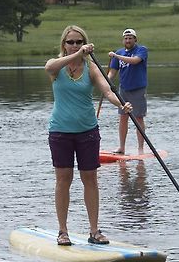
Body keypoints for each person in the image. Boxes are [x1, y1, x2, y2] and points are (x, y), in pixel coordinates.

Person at [45, 25, 132, 246]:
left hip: (87, 132)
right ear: (64, 44)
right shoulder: (56, 67)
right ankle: (63, 231)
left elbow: (107, 90)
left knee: (90, 180)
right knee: (64, 180)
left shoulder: (91, 67)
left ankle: (94, 231)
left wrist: (121, 104)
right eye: (71, 42)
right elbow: (49, 67)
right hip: (60, 132)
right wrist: (77, 54)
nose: (75, 45)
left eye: (79, 41)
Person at [108, 28, 148, 155]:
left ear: (135, 39)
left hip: (138, 89)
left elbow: (135, 61)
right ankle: (122, 147)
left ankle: (140, 148)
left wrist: (116, 56)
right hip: (123, 90)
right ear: (123, 40)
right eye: (126, 38)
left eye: (130, 38)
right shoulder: (119, 53)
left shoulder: (141, 50)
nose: (128, 40)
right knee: (123, 117)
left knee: (138, 118)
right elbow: (112, 72)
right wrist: (105, 83)